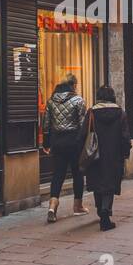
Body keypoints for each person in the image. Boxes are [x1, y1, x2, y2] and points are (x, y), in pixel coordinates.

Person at [84, 86, 132, 231]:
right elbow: (125, 136)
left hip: (95, 155)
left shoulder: (91, 112)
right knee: (109, 183)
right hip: (114, 155)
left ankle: (100, 209)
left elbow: (83, 134)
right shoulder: (120, 113)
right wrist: (126, 152)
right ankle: (105, 210)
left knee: (98, 182)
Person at [41, 74, 87, 222]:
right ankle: (78, 206)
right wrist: (83, 142)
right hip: (74, 141)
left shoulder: (51, 101)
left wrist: (46, 143)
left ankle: (52, 205)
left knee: (58, 174)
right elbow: (82, 125)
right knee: (77, 173)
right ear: (73, 85)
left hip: (57, 141)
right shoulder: (78, 100)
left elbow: (46, 125)